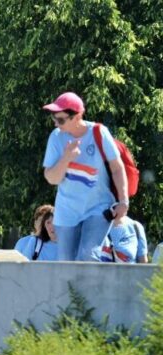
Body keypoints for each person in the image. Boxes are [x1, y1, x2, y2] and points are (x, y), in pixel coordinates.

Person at [42, 91, 129, 261]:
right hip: (67, 211)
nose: (56, 124)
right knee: (66, 262)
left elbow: (118, 168)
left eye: (60, 120)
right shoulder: (56, 138)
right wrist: (66, 158)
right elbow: (51, 178)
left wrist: (124, 201)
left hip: (98, 207)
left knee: (88, 255)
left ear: (77, 116)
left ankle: (93, 288)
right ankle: (72, 289)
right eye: (54, 119)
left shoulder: (99, 132)